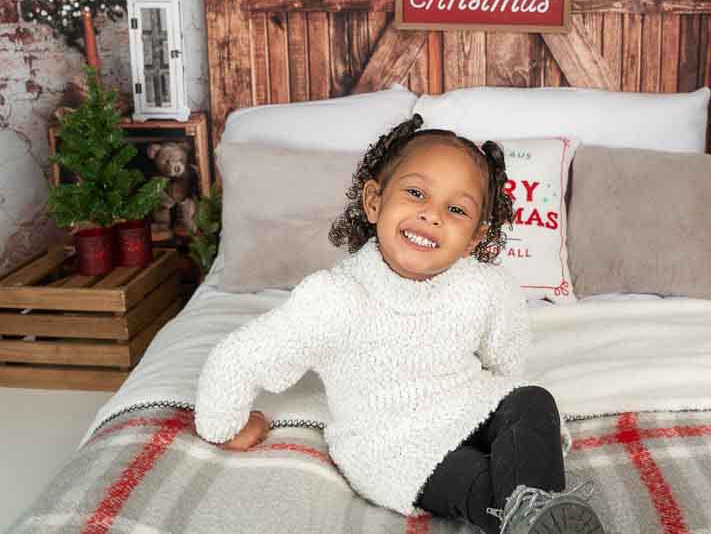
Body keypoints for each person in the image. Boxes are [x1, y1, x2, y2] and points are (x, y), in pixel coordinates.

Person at [194, 115, 605, 534]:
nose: (432, 215)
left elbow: (507, 359)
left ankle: (537, 509)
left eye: (456, 209)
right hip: (392, 444)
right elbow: (238, 358)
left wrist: (505, 420)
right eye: (415, 193)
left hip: (466, 405)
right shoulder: (333, 300)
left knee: (532, 400)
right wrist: (227, 424)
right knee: (470, 475)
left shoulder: (485, 287)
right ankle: (532, 520)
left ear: (475, 239)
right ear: (374, 201)